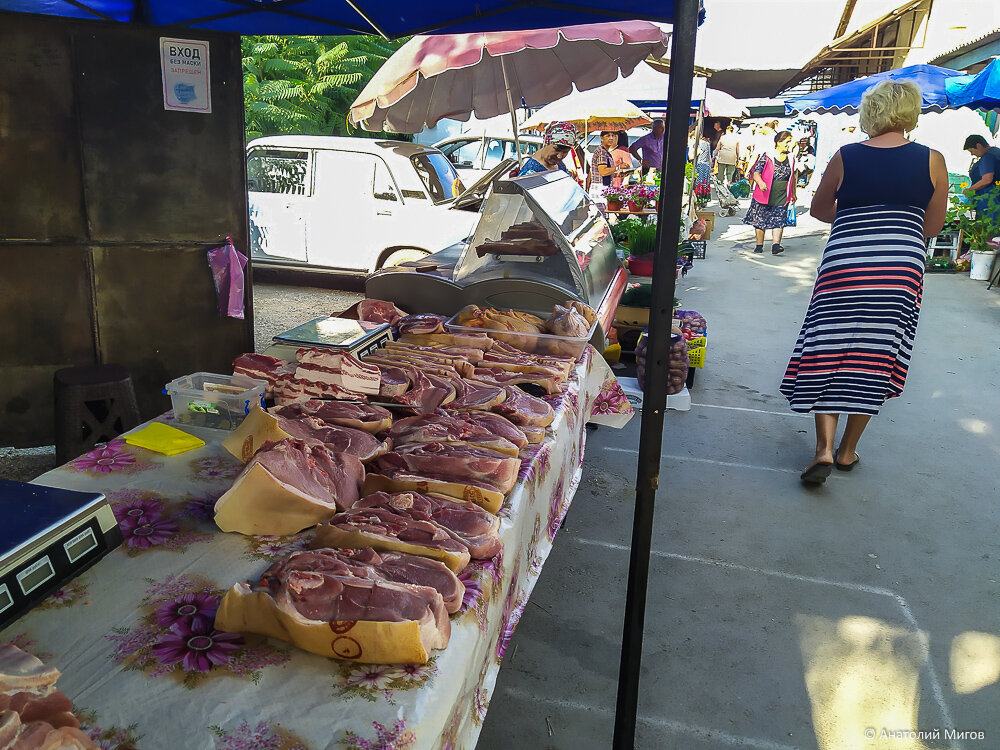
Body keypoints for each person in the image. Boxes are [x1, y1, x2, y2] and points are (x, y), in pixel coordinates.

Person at [780, 80, 948, 484]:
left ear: (870, 113)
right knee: (875, 353)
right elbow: (935, 225)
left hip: (845, 264)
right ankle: (848, 450)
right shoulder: (933, 160)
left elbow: (819, 209)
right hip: (899, 270)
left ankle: (822, 447)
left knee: (828, 344)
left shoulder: (846, 156)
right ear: (910, 112)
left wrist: (858, 220)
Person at [742, 130, 796, 254]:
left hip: (782, 193)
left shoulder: (791, 157)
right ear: (779, 142)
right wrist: (760, 183)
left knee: (779, 219)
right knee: (760, 220)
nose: (789, 144)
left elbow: (793, 176)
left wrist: (793, 192)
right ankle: (759, 245)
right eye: (787, 142)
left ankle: (776, 245)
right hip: (765, 193)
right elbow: (756, 173)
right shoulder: (767, 156)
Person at [962, 133, 1000, 218]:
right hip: (995, 199)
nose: (972, 154)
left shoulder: (988, 156)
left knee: (988, 227)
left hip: (989, 201)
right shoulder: (996, 152)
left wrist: (969, 190)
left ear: (978, 145)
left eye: (972, 151)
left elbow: (987, 179)